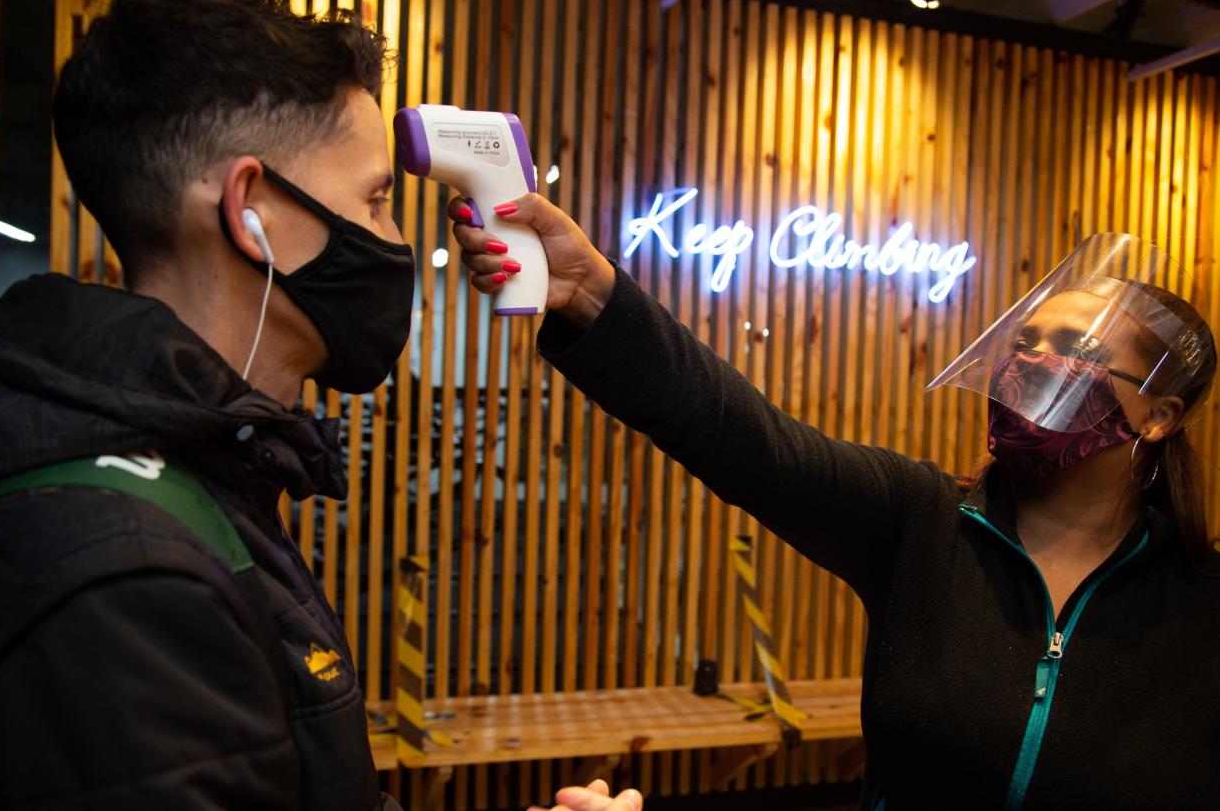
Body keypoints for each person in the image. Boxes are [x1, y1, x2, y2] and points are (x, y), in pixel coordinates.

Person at [0, 0, 638, 810]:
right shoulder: (126, 581)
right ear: (250, 210)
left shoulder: (211, 468)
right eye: (375, 200)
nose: (396, 241)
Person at [451, 194, 1220, 809]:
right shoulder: (921, 520)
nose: (1032, 361)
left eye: (1077, 350)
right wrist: (591, 293)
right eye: (1025, 340)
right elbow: (741, 437)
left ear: (1158, 415)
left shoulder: (1201, 603)